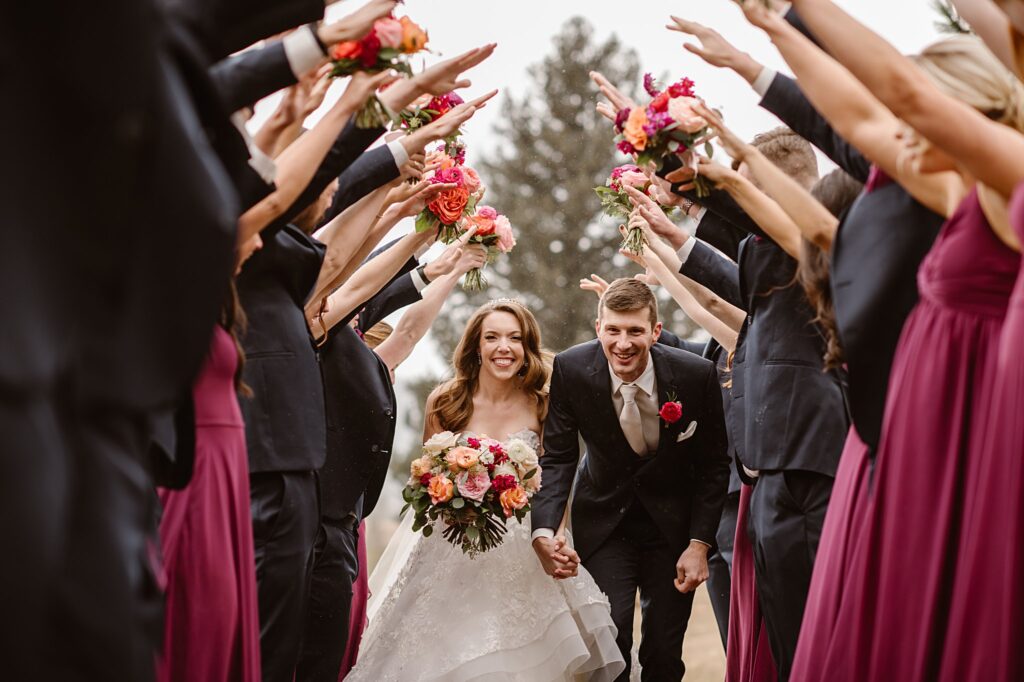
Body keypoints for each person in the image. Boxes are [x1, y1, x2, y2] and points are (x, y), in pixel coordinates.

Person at [731, 1, 1024, 679]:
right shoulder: (960, 190)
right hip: (920, 422)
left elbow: (899, 92)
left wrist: (799, 7)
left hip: (971, 419)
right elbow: (862, 118)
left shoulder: (997, 187)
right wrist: (774, 28)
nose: (898, 132)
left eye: (920, 118)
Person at [347, 300, 625, 681]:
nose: (503, 347)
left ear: (527, 347)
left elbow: (555, 480)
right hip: (451, 549)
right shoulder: (446, 402)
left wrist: (555, 534)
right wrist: (455, 498)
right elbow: (427, 478)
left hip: (524, 550)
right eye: (491, 337)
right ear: (476, 346)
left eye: (515, 338)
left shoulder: (543, 404)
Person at [532, 279, 730, 681]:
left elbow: (713, 466)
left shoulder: (696, 374)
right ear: (598, 328)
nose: (623, 343)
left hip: (673, 529)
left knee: (663, 653)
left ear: (655, 332)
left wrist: (699, 544)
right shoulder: (571, 369)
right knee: (611, 641)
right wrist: (544, 530)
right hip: (605, 522)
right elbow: (559, 458)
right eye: (613, 330)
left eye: (635, 331)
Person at [156, 245, 265, 682]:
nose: (258, 244)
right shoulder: (175, 291)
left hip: (226, 466)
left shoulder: (218, 299)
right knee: (201, 604)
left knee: (224, 610)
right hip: (198, 467)